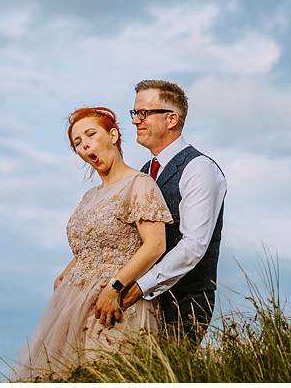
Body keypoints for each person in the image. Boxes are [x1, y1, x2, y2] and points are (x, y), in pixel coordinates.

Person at [13, 107, 173, 380]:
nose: (84, 144)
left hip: (115, 304)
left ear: (112, 135)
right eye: (77, 143)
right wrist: (67, 271)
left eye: (90, 134)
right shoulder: (89, 196)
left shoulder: (139, 184)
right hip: (74, 302)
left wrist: (115, 287)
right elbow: (93, 244)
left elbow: (155, 245)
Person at [97, 80, 227, 347]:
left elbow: (193, 245)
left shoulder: (199, 168)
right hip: (139, 301)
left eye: (144, 113)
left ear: (171, 119)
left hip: (184, 303)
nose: (135, 121)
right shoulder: (145, 171)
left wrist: (138, 287)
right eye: (135, 114)